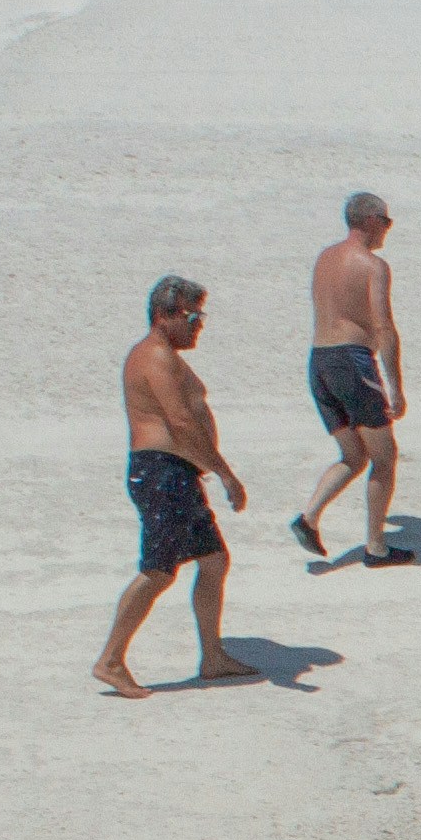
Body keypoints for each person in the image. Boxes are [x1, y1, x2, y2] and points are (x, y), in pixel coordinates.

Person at [98, 275, 249, 697]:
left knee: (214, 560)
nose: (200, 325)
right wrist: (224, 472)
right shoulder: (155, 357)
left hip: (174, 472)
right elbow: (180, 422)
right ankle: (110, 660)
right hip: (161, 472)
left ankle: (213, 656)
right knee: (158, 571)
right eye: (193, 316)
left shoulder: (163, 355)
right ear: (165, 316)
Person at [294, 189, 410, 565]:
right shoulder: (373, 266)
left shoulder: (324, 258)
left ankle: (309, 517)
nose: (388, 230)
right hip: (352, 361)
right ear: (372, 220)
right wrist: (395, 387)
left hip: (319, 362)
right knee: (385, 457)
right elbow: (384, 328)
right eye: (387, 222)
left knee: (353, 454)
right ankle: (376, 547)